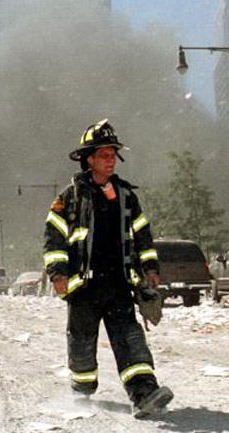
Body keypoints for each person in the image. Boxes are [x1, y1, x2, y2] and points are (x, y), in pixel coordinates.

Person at [43, 119, 173, 418]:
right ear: (89, 159)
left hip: (118, 284)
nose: (111, 160)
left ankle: (144, 394)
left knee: (130, 339)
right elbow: (53, 238)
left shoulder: (127, 197)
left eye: (113, 155)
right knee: (82, 343)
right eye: (104, 155)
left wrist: (150, 266)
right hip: (83, 287)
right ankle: (82, 389)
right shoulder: (69, 199)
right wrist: (58, 272)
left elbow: (142, 235)